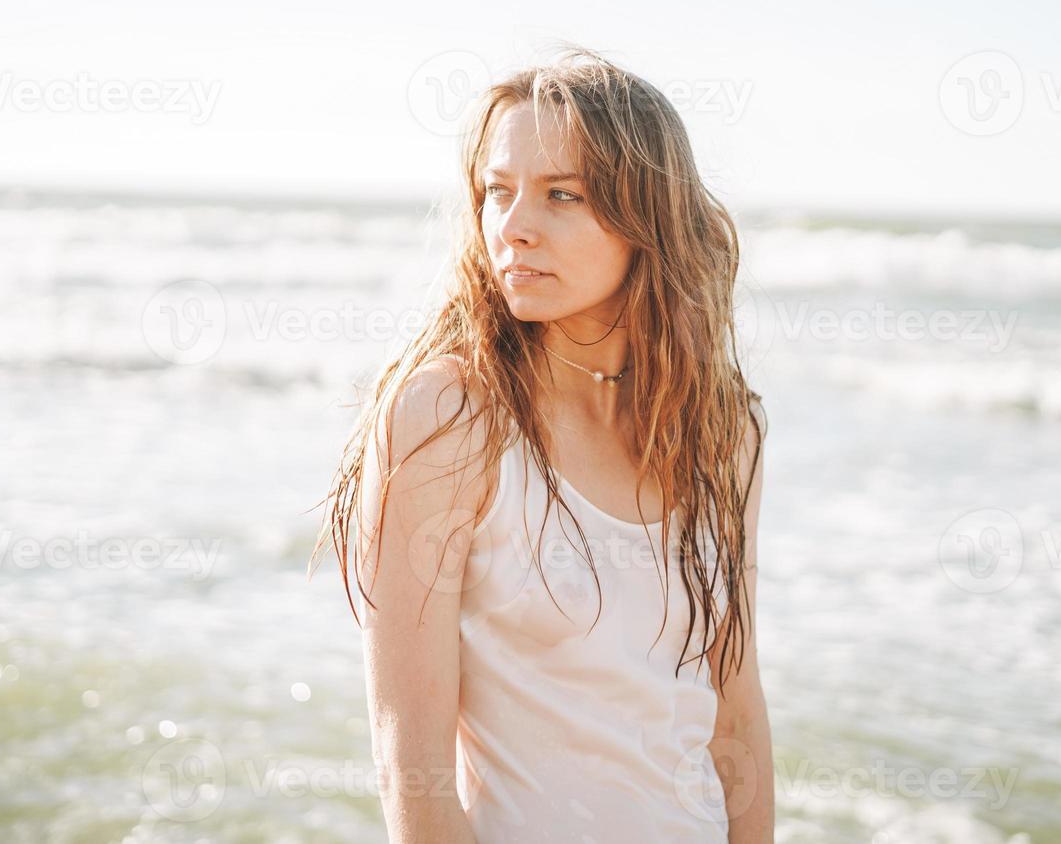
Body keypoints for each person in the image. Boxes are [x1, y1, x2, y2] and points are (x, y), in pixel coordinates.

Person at [312, 46, 773, 842]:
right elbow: (410, 764)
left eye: (562, 194)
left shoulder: (725, 431)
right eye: (497, 192)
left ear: (648, 217)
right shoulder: (449, 417)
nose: (514, 227)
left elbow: (733, 711)